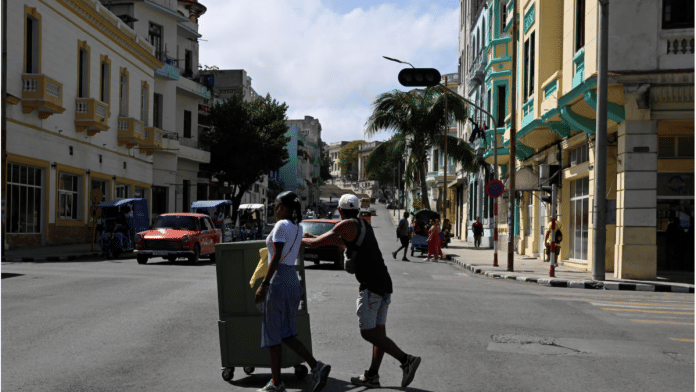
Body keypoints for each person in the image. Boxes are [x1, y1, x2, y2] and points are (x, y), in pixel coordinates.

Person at [302, 194, 421, 389]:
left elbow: (319, 244)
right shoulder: (363, 225)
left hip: (371, 286)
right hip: (384, 283)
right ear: (357, 210)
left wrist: (295, 240)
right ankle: (373, 375)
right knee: (379, 334)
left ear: (340, 210)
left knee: (367, 333)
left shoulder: (345, 225)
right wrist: (313, 238)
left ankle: (406, 360)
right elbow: (340, 243)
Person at [254, 191, 331, 392]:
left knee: (272, 334)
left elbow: (277, 256)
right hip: (292, 280)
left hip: (278, 279)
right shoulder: (298, 227)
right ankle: (317, 366)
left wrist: (264, 284)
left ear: (282, 207)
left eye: (275, 205)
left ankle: (276, 383)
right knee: (287, 333)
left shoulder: (281, 225)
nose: (274, 208)